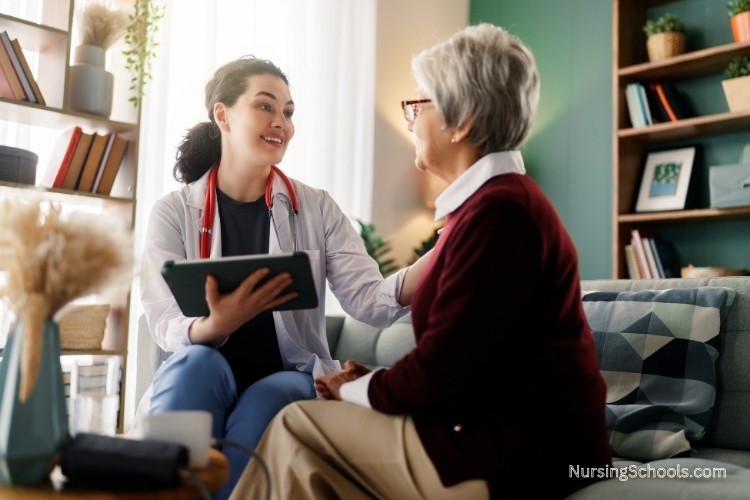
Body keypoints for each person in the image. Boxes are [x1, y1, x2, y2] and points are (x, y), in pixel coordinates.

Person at [230, 23, 612, 500]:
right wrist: (368, 382)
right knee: (311, 463)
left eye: (419, 104)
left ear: (464, 119)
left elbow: (443, 371)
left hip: (521, 453)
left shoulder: (501, 214)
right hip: (499, 431)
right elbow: (468, 359)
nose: (410, 120)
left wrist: (354, 390)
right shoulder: (492, 208)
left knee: (296, 426)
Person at [136, 55, 428, 500]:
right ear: (223, 115)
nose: (282, 123)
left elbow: (371, 300)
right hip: (202, 365)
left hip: (286, 372)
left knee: (270, 394)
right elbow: (162, 320)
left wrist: (445, 253)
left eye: (289, 112)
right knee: (196, 365)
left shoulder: (317, 207)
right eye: (266, 106)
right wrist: (216, 326)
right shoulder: (175, 212)